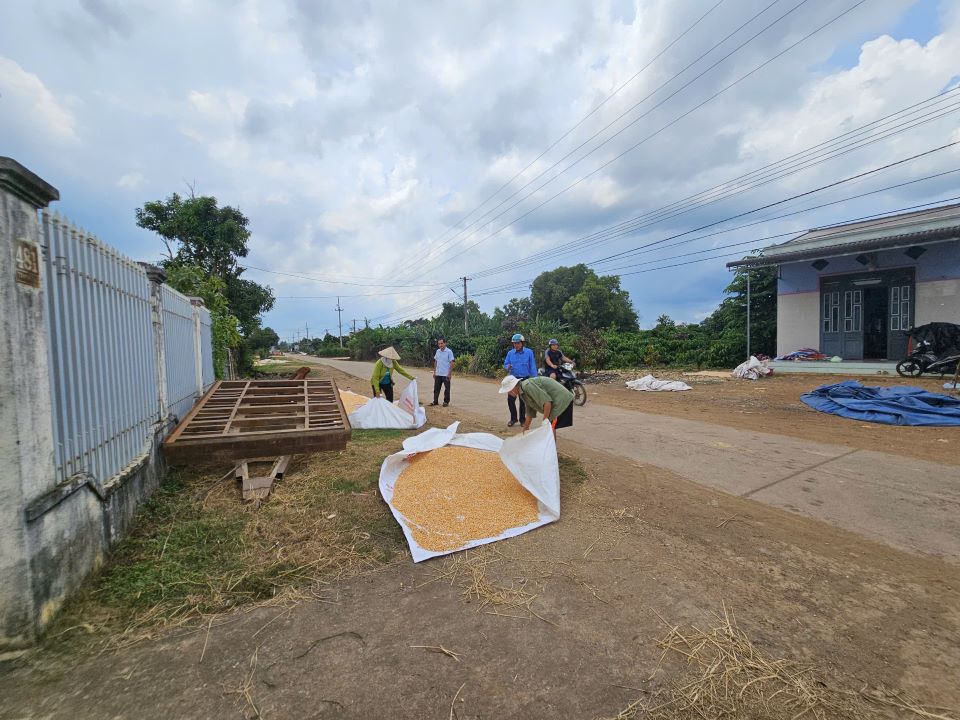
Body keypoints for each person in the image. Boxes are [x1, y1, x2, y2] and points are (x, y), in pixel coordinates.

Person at [498, 374, 574, 433]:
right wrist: (526, 428)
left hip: (561, 400)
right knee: (549, 427)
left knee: (549, 427)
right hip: (557, 401)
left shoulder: (527, 386)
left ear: (513, 387)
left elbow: (547, 403)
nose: (508, 393)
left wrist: (545, 421)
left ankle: (550, 450)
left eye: (508, 390)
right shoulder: (523, 392)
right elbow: (530, 412)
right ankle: (549, 448)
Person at [502, 333, 537, 427]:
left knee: (523, 401)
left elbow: (532, 366)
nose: (516, 345)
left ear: (522, 343)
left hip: (525, 379)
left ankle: (522, 420)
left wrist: (534, 379)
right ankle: (513, 419)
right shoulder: (510, 353)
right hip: (513, 379)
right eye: (514, 343)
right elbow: (506, 364)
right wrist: (507, 367)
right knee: (510, 399)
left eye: (518, 343)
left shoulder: (529, 352)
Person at [430, 337, 455, 407]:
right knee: (436, 388)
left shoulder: (449, 352)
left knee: (447, 389)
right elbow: (436, 361)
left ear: (445, 343)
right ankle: (435, 401)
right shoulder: (437, 351)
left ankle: (446, 402)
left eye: (441, 343)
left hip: (446, 374)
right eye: (439, 344)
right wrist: (434, 372)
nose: (440, 345)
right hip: (438, 373)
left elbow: (452, 362)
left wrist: (449, 374)